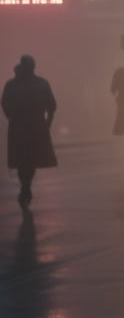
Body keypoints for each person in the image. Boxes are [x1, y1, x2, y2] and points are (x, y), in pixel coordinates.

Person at [1, 54, 57, 208]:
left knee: (28, 160)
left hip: (30, 126)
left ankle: (25, 187)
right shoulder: (14, 85)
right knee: (23, 160)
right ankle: (25, 187)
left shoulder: (39, 84)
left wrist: (47, 123)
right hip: (26, 126)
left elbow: (51, 106)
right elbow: (5, 103)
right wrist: (47, 123)